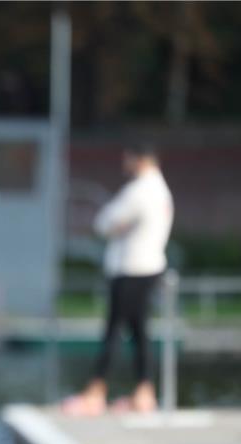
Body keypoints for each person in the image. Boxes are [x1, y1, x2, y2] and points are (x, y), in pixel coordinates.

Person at [63, 143, 174, 415]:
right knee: (139, 332)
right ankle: (144, 393)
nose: (124, 160)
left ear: (139, 159)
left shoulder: (139, 191)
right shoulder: (160, 190)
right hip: (148, 266)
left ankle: (95, 393)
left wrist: (114, 227)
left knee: (113, 331)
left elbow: (104, 223)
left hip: (131, 268)